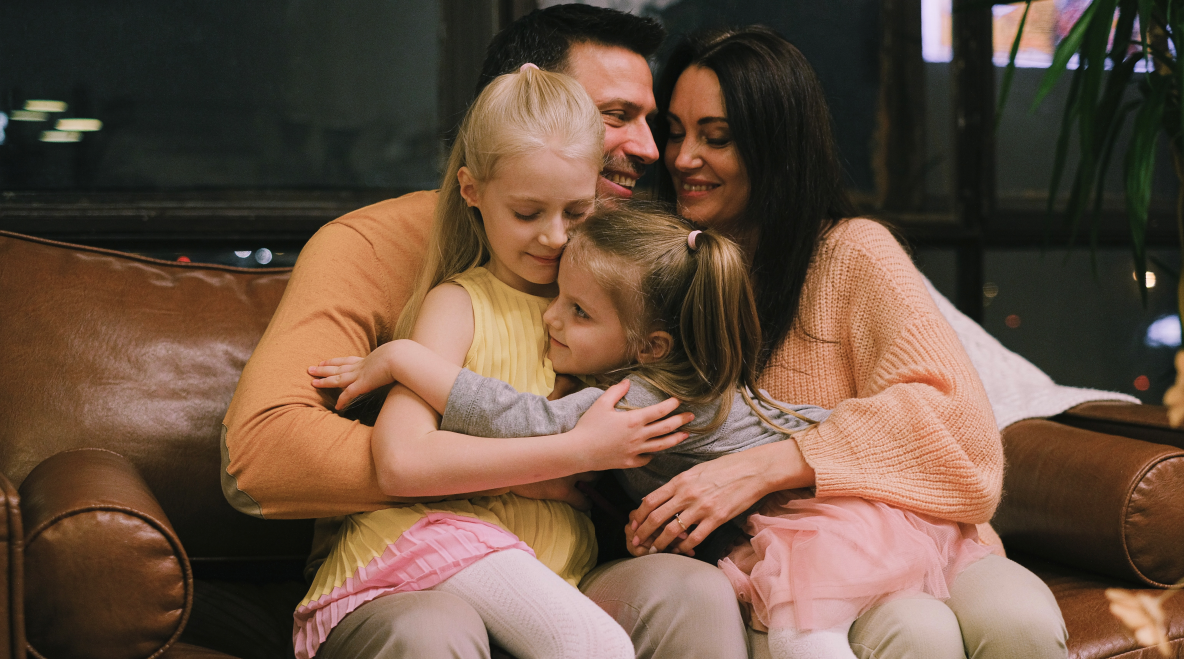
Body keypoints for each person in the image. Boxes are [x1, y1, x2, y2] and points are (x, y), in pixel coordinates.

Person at [223, 5, 751, 658]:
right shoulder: (397, 259)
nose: (648, 148)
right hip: (427, 565)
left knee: (693, 591)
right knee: (436, 630)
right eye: (615, 116)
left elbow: (693, 406)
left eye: (650, 121)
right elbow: (263, 456)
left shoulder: (617, 270)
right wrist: (543, 464)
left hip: (563, 564)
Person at [311, 205, 999, 659]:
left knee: (803, 640)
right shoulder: (696, 381)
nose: (551, 318)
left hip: (822, 528)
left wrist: (404, 360)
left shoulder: (635, 398)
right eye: (558, 299)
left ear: (650, 345)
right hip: (841, 521)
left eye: (578, 311)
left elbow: (516, 418)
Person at [614, 26, 1065, 658]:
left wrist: (769, 465)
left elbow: (961, 431)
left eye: (716, 137)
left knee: (1022, 622)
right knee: (918, 632)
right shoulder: (653, 272)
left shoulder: (851, 252)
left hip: (926, 537)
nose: (684, 158)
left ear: (777, 146)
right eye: (676, 132)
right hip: (783, 565)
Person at [291, 64, 692, 659]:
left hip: (553, 569)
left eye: (576, 212)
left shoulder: (615, 309)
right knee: (589, 643)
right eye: (527, 213)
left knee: (690, 592)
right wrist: (577, 454)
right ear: (472, 191)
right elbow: (400, 462)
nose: (554, 237)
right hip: (431, 548)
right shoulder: (459, 304)